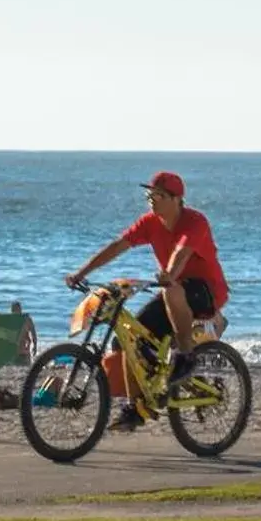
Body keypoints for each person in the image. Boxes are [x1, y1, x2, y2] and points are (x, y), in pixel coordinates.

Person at [66, 170, 229, 430]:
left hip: (206, 292)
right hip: (173, 291)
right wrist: (81, 273)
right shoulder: (150, 222)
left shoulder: (195, 221)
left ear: (176, 199)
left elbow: (181, 253)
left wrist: (169, 274)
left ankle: (186, 356)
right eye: (149, 195)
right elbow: (117, 246)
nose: (152, 200)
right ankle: (135, 408)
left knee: (171, 289)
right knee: (128, 338)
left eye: (159, 195)